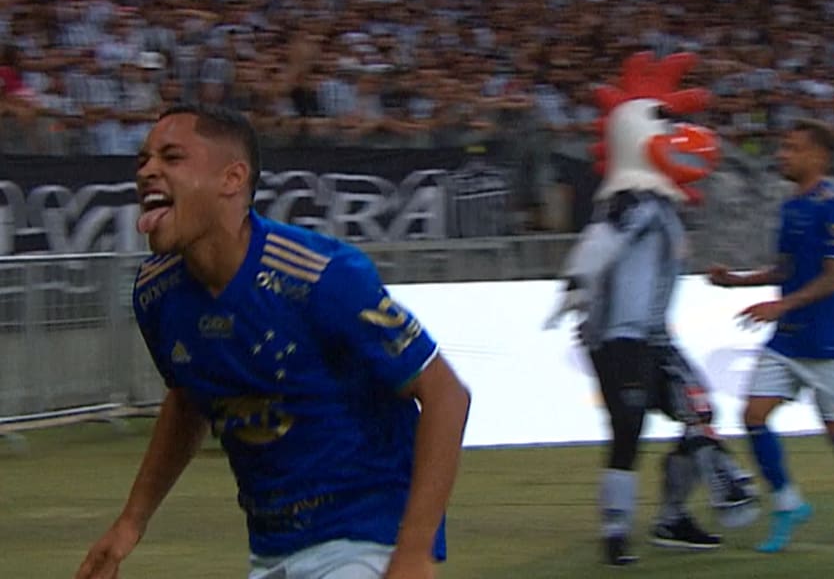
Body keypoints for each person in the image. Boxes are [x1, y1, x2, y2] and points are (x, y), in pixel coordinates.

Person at [75, 103, 471, 579]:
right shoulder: (156, 294)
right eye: (143, 161)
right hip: (272, 551)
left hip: (368, 540)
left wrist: (412, 553)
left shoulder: (321, 276)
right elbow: (187, 401)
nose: (147, 171)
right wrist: (130, 523)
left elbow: (446, 394)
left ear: (232, 179)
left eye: (171, 157)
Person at [546, 51, 758, 567]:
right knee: (629, 423)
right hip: (617, 336)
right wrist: (577, 281)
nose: (680, 130)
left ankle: (671, 517)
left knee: (701, 412)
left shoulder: (659, 206)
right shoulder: (633, 202)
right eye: (665, 119)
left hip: (653, 336)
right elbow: (602, 238)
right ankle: (615, 530)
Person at [708, 118, 834, 554]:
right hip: (789, 337)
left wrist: (780, 305)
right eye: (783, 148)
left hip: (830, 337)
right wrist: (736, 282)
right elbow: (787, 270)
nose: (782, 155)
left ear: (818, 155)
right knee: (753, 416)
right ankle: (788, 504)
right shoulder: (792, 205)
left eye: (792, 149)